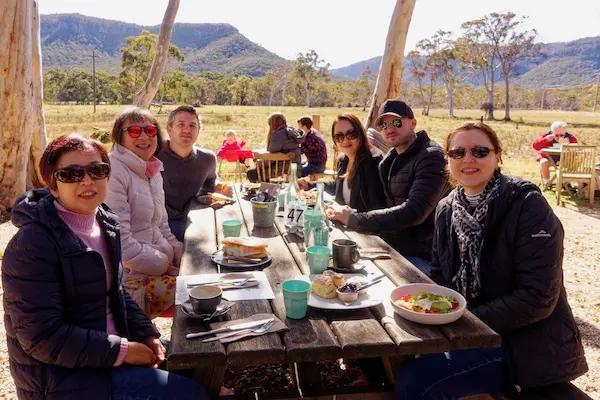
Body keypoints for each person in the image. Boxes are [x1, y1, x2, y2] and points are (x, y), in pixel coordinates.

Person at [1, 134, 208, 400]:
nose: (87, 181)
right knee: (189, 393)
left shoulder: (105, 222)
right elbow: (42, 337)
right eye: (71, 174)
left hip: (105, 353)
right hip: (62, 378)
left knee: (197, 365)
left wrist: (146, 334)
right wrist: (125, 351)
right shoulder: (33, 244)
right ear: (53, 185)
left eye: (97, 170)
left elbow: (115, 293)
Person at [395, 122, 588, 400]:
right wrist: (430, 315)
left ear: (497, 156)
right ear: (448, 161)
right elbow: (439, 277)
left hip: (524, 344)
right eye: (458, 153)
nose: (468, 159)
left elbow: (538, 297)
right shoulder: (447, 209)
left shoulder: (527, 205)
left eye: (480, 151)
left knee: (416, 384)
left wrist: (462, 324)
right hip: (475, 330)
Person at [329, 100, 448, 275]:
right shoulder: (390, 161)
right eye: (383, 125)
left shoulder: (431, 157)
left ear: (413, 123)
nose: (389, 129)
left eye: (396, 122)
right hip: (388, 246)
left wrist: (355, 219)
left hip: (419, 257)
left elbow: (414, 211)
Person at [105, 107, 182, 318]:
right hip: (130, 281)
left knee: (207, 277)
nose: (144, 136)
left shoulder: (152, 170)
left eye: (150, 130)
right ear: (119, 137)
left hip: (154, 268)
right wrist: (165, 264)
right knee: (202, 296)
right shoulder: (114, 172)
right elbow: (121, 246)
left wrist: (180, 252)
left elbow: (161, 225)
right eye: (134, 131)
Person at [157, 105, 232, 241]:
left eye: (192, 126)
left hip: (193, 217)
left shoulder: (207, 159)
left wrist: (219, 186)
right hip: (160, 223)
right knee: (201, 239)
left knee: (226, 234)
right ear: (169, 130)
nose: (187, 130)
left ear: (198, 131)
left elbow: (210, 183)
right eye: (181, 125)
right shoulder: (153, 155)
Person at [299, 113, 386, 212]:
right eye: (339, 136)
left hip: (360, 225)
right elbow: (337, 186)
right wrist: (309, 185)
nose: (345, 141)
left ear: (360, 135)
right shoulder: (344, 159)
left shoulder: (373, 163)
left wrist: (350, 218)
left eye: (351, 134)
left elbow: (376, 209)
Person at [246, 112, 305, 182]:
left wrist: (259, 162)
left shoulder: (277, 135)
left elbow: (272, 158)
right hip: (295, 169)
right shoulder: (292, 132)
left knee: (251, 172)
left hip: (281, 172)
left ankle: (263, 191)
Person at [532, 121, 578, 189]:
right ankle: (548, 182)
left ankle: (566, 182)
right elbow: (535, 146)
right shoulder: (547, 136)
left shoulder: (570, 138)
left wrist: (568, 145)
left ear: (565, 132)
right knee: (543, 162)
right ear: (552, 131)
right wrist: (545, 140)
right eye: (556, 135)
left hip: (564, 159)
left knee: (574, 161)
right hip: (548, 158)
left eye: (561, 135)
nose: (559, 137)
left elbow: (576, 149)